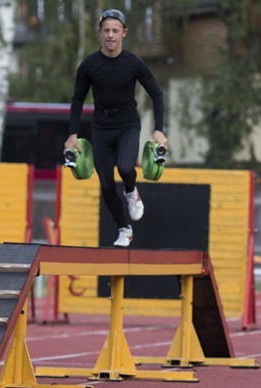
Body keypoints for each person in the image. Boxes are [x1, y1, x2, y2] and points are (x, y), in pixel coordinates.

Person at [64, 8, 168, 247]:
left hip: (127, 125)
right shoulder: (89, 65)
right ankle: (124, 229)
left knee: (124, 166)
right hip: (101, 128)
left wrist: (159, 129)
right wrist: (72, 134)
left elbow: (157, 94)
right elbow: (77, 98)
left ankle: (131, 191)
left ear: (124, 33)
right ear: (100, 32)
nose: (111, 35)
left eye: (115, 31)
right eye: (107, 30)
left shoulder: (134, 63)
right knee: (106, 185)